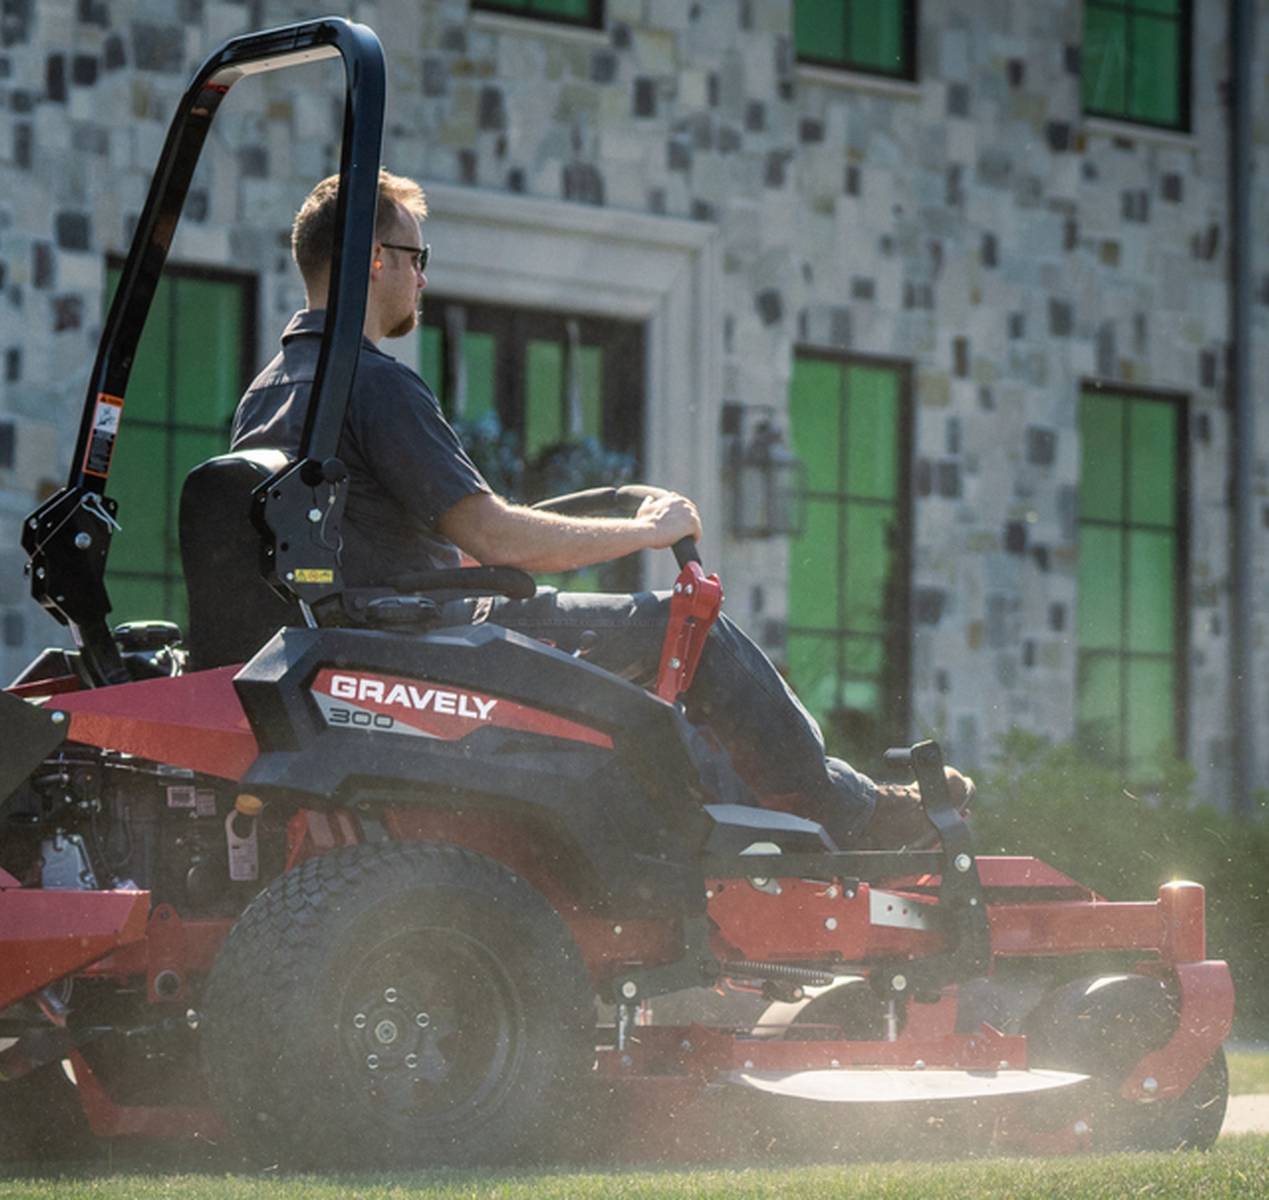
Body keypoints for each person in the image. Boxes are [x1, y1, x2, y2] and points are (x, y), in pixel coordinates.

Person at [231, 170, 971, 850]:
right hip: (434, 650)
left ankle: (779, 834)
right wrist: (648, 531)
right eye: (417, 257)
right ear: (373, 260)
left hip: (365, 646)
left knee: (656, 712)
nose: (423, 277)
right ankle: (852, 816)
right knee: (691, 632)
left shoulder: (266, 394)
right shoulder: (375, 385)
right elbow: (495, 536)